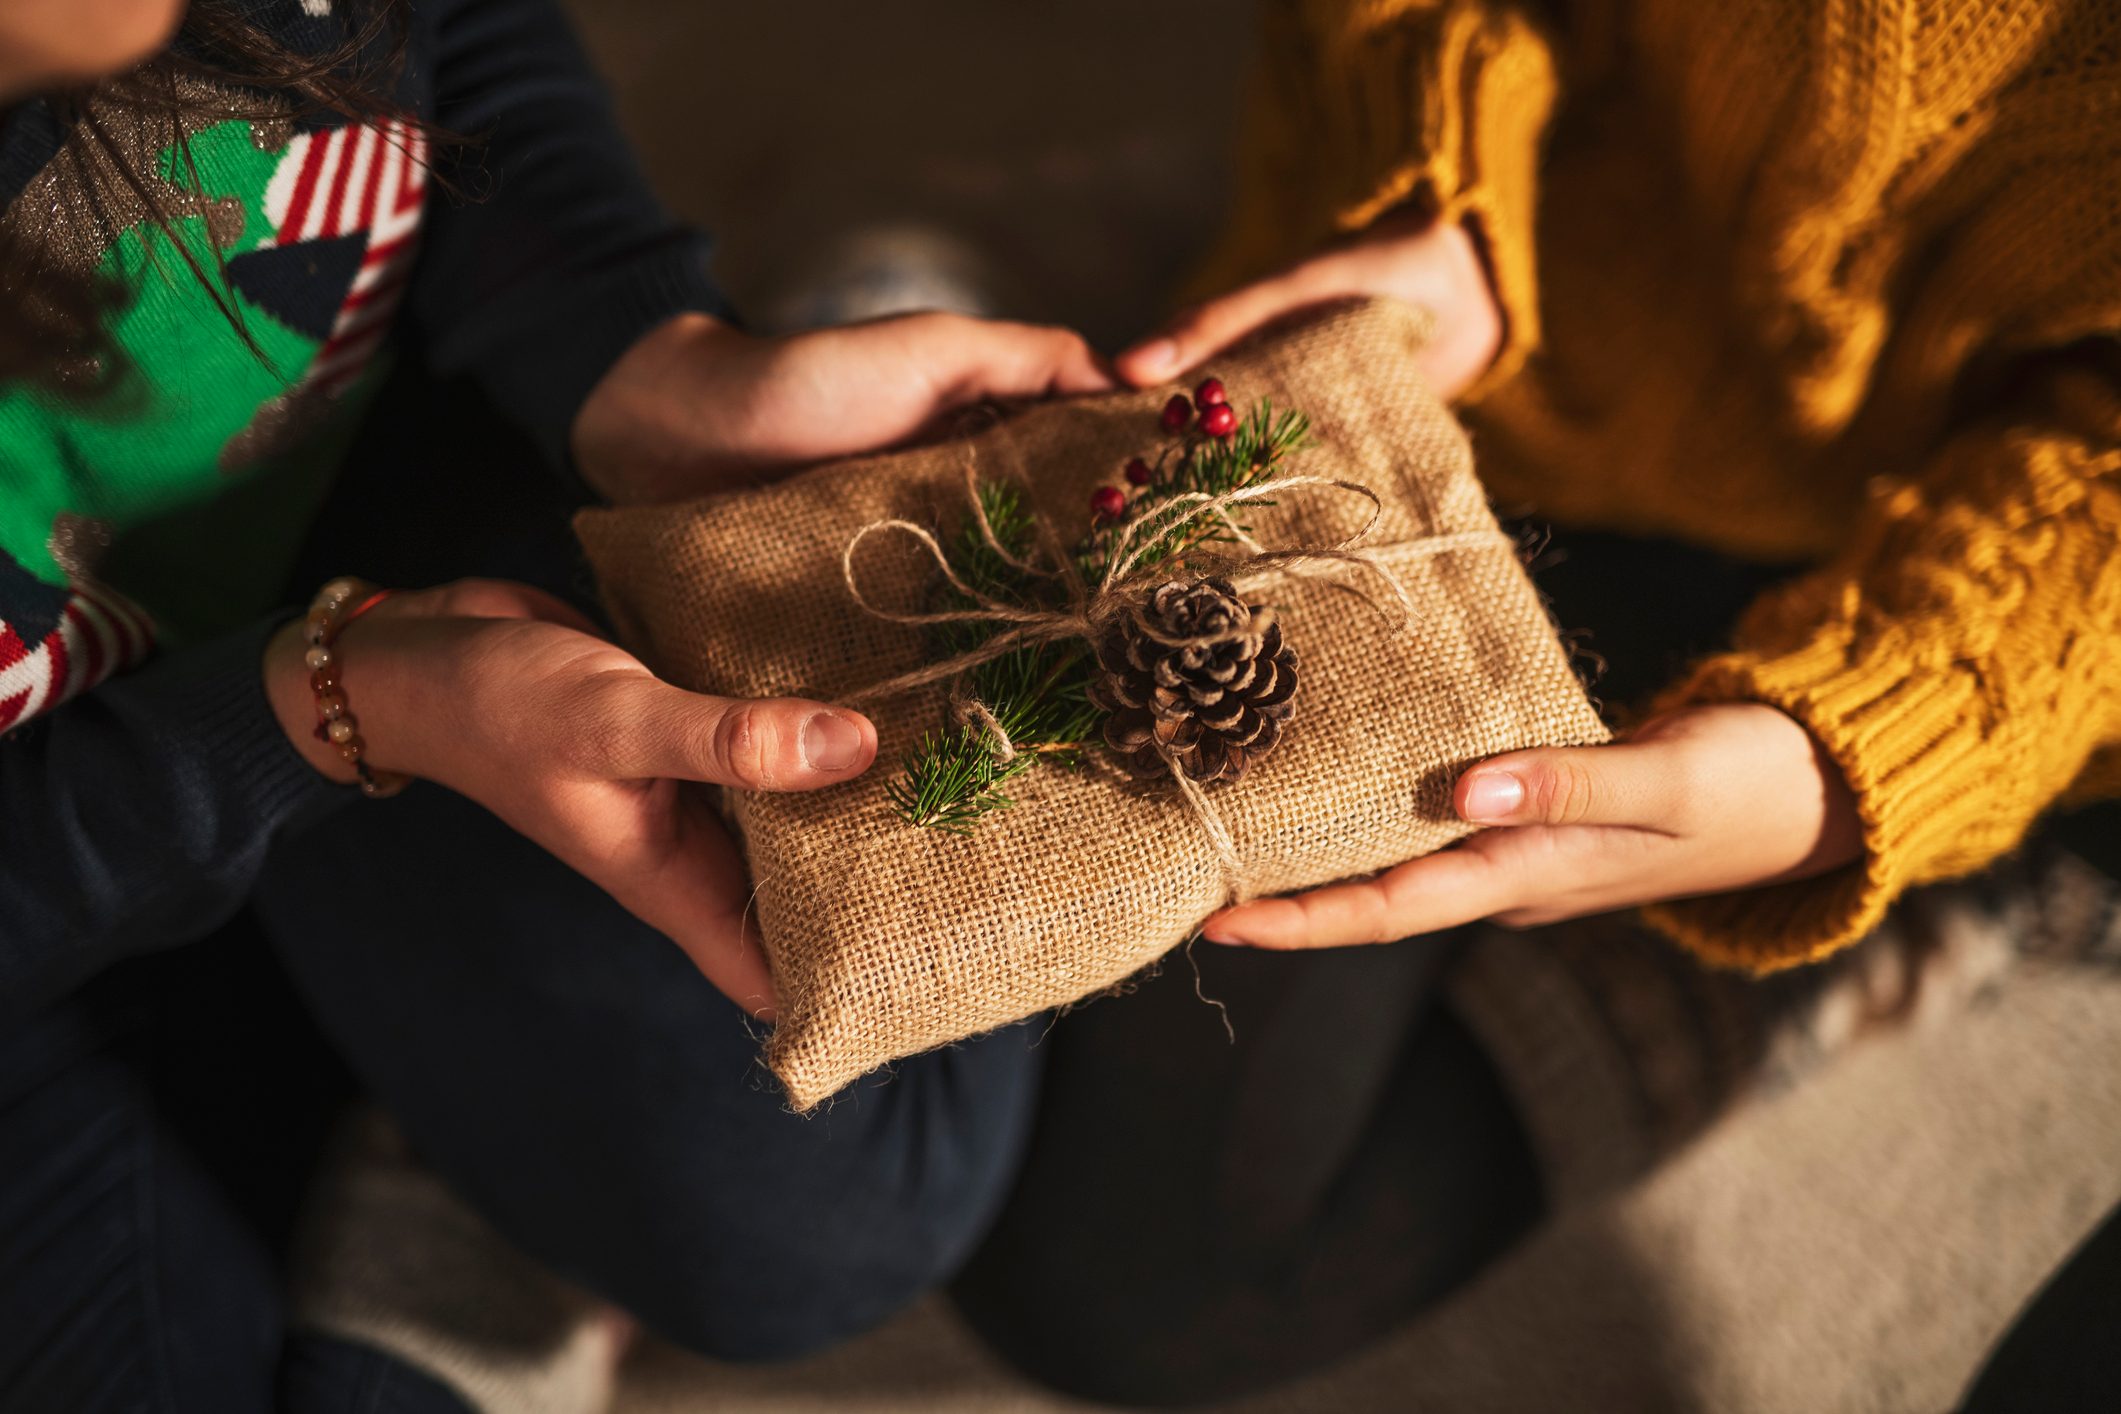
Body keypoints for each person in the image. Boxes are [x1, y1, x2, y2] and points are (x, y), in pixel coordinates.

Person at [953, 0, 2121, 1403]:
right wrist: (1439, 185)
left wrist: (1863, 747)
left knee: (1119, 1297)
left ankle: (1932, 892)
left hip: (1988, 572)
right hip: (1468, 396)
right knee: (1059, 1141)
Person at [0, 1, 1108, 1408]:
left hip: (364, 491)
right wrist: (331, 712)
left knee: (825, 1226)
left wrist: (636, 358)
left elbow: (458, 30)